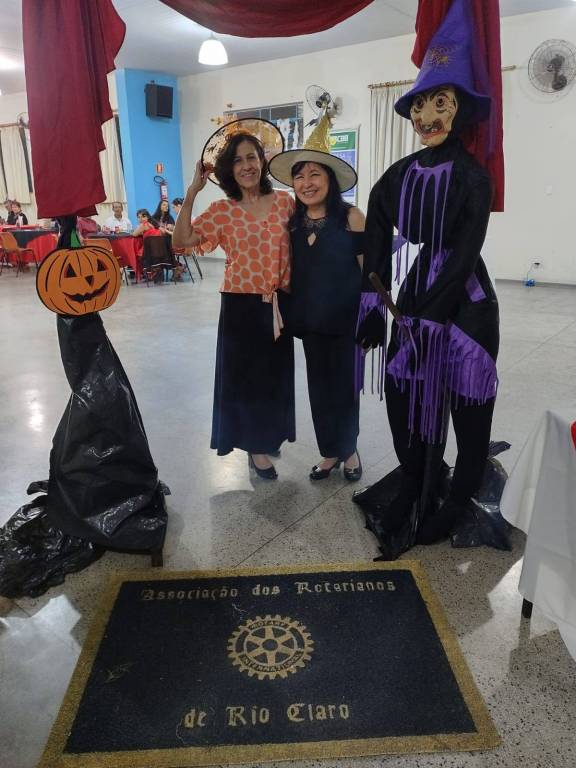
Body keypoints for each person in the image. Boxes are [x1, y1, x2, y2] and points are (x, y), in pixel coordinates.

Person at [357, 0, 500, 547]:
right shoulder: (398, 175)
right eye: (420, 104)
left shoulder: (474, 179)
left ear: (460, 111)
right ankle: (416, 480)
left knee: (468, 410)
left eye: (440, 102)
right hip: (415, 302)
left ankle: (459, 497)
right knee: (405, 400)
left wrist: (428, 317)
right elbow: (376, 233)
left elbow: (464, 255)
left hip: (467, 309)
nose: (425, 115)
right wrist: (373, 305)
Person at [173, 120, 294, 479]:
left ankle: (268, 434)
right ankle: (255, 447)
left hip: (278, 304)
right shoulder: (222, 210)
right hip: (241, 306)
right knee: (247, 380)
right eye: (238, 160)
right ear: (229, 169)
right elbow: (181, 241)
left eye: (251, 157)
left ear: (262, 160)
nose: (246, 166)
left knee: (274, 377)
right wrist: (192, 192)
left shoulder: (285, 202)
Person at [269, 113, 364, 481]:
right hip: (309, 321)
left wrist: (373, 315)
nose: (306, 183)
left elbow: (370, 272)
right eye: (299, 176)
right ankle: (330, 452)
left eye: (314, 174)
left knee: (345, 389)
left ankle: (349, 451)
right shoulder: (291, 222)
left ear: (330, 179)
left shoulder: (352, 217)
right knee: (319, 389)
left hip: (346, 322)